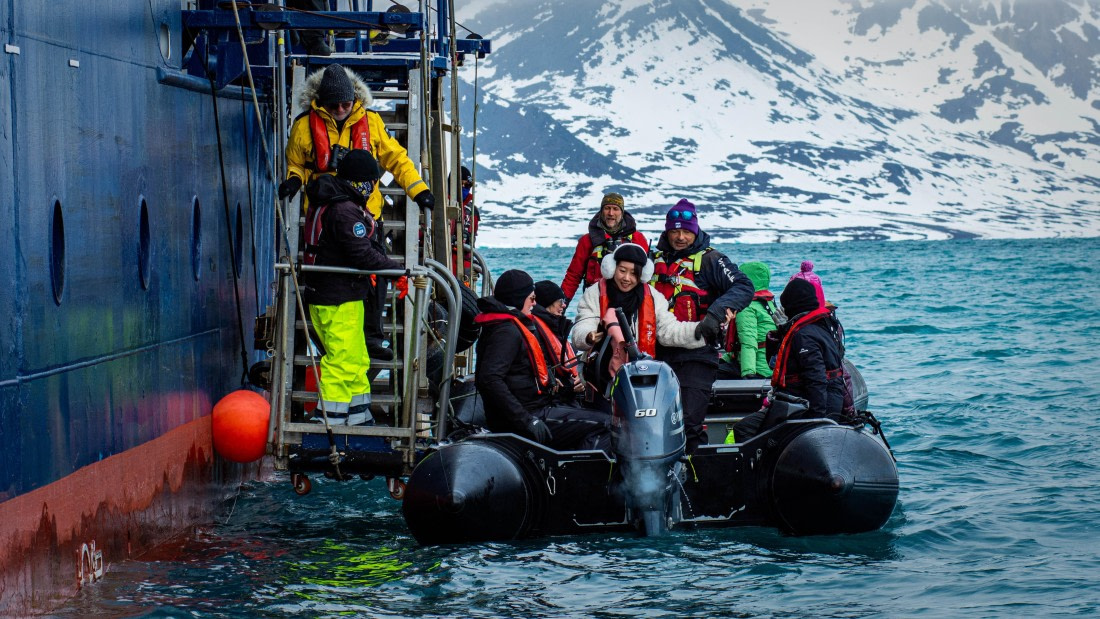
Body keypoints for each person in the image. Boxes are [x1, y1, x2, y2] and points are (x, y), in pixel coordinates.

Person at [280, 64, 435, 361]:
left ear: (354, 99)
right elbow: (296, 163)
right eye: (333, 105)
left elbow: (397, 159)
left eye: (345, 103)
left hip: (367, 212)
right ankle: (329, 338)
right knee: (327, 277)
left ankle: (372, 337)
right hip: (325, 216)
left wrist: (419, 191)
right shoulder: (303, 126)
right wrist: (293, 182)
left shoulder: (372, 122)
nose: (340, 109)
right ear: (321, 102)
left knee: (374, 277)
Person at [300, 150, 404, 426]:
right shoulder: (345, 211)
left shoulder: (330, 202)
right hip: (337, 299)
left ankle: (359, 416)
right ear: (363, 182)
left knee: (357, 359)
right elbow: (362, 254)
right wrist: (397, 271)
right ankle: (330, 421)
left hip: (338, 296)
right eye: (372, 181)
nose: (373, 187)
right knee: (342, 360)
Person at [650, 199, 755, 453]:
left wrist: (716, 314)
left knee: (689, 424)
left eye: (686, 232)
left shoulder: (712, 260)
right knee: (655, 425)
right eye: (675, 231)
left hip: (697, 355)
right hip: (657, 355)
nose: (681, 237)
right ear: (667, 231)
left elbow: (744, 286)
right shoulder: (651, 260)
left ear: (695, 231)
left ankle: (697, 472)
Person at [474, 270, 611, 451]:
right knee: (608, 424)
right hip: (528, 416)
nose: (534, 303)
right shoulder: (506, 332)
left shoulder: (509, 326)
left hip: (535, 409)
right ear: (518, 299)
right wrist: (527, 421)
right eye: (531, 298)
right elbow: (489, 379)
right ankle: (579, 469)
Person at [571, 244, 706, 391]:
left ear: (643, 274)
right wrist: (587, 336)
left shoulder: (654, 297)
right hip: (599, 375)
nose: (627, 278)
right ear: (612, 268)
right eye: (622, 271)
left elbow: (668, 331)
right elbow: (584, 323)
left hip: (641, 373)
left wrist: (701, 330)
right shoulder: (594, 293)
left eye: (634, 273)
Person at [771, 278, 847, 418]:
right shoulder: (821, 325)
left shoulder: (804, 335)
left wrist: (817, 419)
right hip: (814, 399)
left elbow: (816, 378)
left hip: (814, 406)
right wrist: (783, 331)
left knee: (744, 428)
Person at [560, 193, 648, 305]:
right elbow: (573, 276)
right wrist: (561, 302)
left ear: (622, 212)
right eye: (607, 208)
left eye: (615, 209)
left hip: (629, 303)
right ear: (601, 211)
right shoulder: (587, 241)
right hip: (595, 302)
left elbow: (647, 274)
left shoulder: (637, 239)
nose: (611, 213)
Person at [725, 261, 781, 379]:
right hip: (771, 367)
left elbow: (748, 342)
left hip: (757, 369)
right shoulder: (768, 302)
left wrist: (748, 374)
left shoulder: (747, 307)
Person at [532, 280, 583, 403]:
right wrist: (572, 386)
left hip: (568, 392)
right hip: (554, 399)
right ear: (547, 302)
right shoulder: (535, 331)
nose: (564, 305)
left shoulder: (554, 326)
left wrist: (582, 379)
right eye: (560, 301)